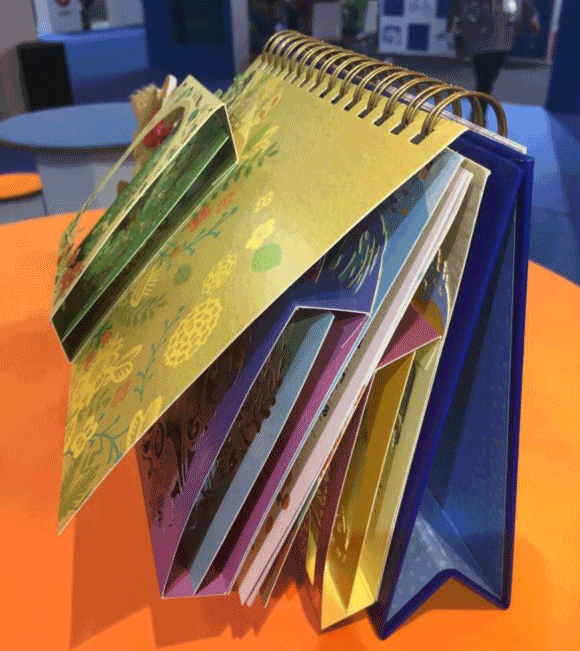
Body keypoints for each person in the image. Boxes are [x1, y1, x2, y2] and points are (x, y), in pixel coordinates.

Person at [447, 0, 541, 126]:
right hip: (479, 41)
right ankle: (478, 118)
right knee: (484, 82)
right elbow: (457, 10)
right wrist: (457, 38)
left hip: (503, 41)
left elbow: (526, 6)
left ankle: (478, 115)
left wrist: (532, 18)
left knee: (488, 82)